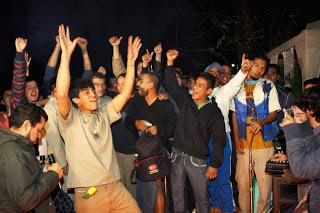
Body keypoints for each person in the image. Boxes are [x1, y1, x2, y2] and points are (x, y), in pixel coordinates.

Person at [55, 24, 141, 212]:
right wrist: (66, 55)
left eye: (93, 91)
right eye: (87, 93)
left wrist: (131, 62)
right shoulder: (70, 120)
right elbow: (62, 94)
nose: (93, 95)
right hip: (89, 191)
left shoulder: (104, 114)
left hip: (115, 186)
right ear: (76, 100)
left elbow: (126, 93)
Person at [165, 49, 226, 213]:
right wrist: (170, 62)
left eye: (200, 85)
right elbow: (171, 85)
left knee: (202, 200)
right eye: (195, 84)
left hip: (197, 161)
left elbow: (220, 139)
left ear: (208, 91)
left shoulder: (214, 112)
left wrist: (214, 165)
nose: (195, 87)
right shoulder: (186, 100)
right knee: (177, 197)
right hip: (177, 156)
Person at [231, 54, 281, 213]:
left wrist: (261, 122)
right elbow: (233, 114)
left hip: (265, 143)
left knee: (265, 185)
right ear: (249, 64)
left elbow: (274, 113)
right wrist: (237, 140)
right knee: (243, 183)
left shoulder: (268, 85)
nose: (259, 70)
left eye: (263, 68)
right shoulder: (236, 85)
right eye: (256, 65)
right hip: (244, 144)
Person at [0, 103, 63, 212]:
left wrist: (43, 173)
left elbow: (28, 182)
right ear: (26, 125)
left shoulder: (20, 146)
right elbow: (25, 201)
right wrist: (53, 175)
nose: (40, 136)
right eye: (39, 130)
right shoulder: (11, 150)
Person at [207, 56, 249, 213]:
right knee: (210, 176)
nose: (218, 75)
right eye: (216, 72)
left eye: (225, 73)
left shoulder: (223, 92)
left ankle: (228, 208)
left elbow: (234, 84)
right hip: (205, 140)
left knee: (223, 177)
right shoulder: (203, 92)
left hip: (222, 138)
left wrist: (243, 71)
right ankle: (215, 205)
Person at [133, 71, 177, 213]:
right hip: (140, 152)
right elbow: (127, 123)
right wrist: (136, 123)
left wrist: (159, 130)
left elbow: (173, 128)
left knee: (157, 185)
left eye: (141, 81)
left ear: (150, 85)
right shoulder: (138, 102)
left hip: (158, 152)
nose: (138, 83)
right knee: (143, 189)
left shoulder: (165, 104)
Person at [280, 86, 320, 211]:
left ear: (311, 111)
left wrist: (291, 129)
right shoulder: (314, 131)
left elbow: (300, 169)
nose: (298, 110)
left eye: (303, 106)